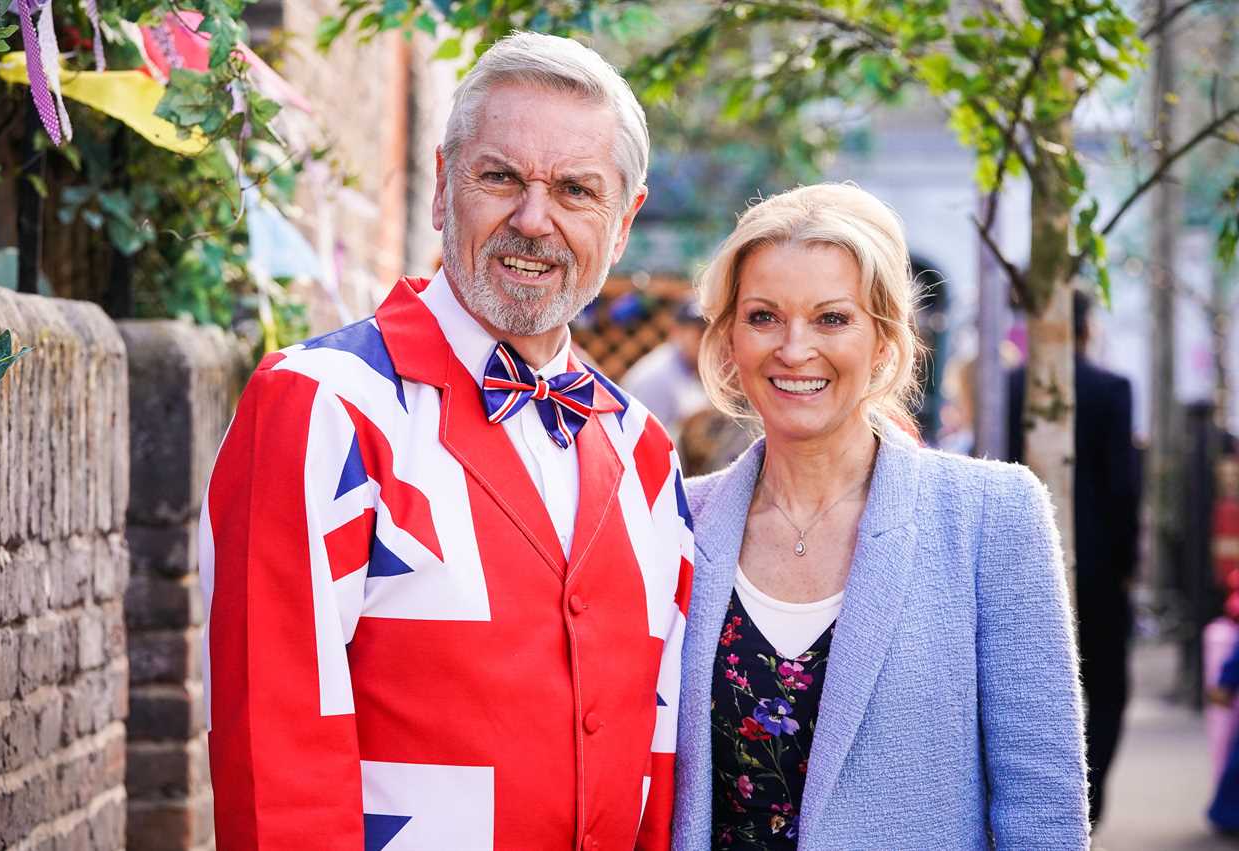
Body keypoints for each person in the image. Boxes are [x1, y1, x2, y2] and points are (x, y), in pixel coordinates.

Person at [198, 32, 693, 850]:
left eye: (576, 190)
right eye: (499, 177)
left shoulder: (645, 454)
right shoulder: (322, 406)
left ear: (623, 223)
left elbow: (659, 760)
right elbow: (273, 757)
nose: (533, 220)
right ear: (440, 188)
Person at [672, 183, 1088, 850]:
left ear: (886, 339)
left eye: (832, 318)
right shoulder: (674, 519)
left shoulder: (993, 518)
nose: (794, 347)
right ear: (728, 339)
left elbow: (1043, 805)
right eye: (763, 316)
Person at [1008, 289, 1140, 825]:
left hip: (1018, 560)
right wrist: (1129, 561)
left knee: (1029, 689)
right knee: (1106, 686)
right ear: (1087, 329)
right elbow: (1123, 486)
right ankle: (1090, 808)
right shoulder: (1111, 388)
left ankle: (1051, 813)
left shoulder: (1012, 385)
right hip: (1099, 563)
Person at [622, 295, 709, 439]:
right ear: (676, 331)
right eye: (701, 332)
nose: (707, 340)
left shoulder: (687, 366)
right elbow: (645, 443)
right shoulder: (657, 378)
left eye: (711, 331)